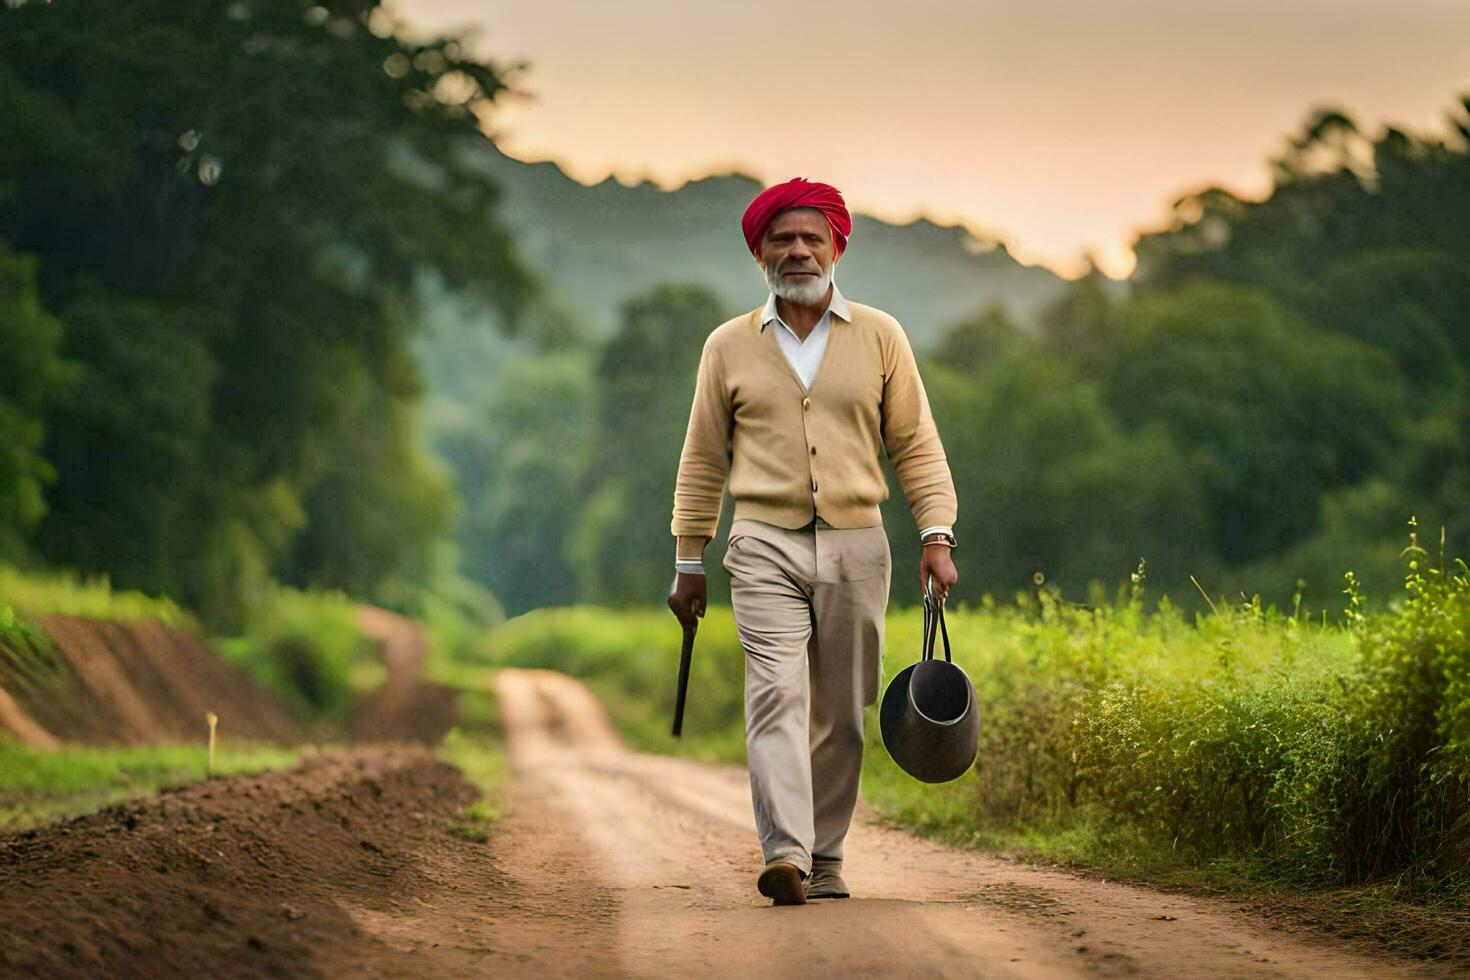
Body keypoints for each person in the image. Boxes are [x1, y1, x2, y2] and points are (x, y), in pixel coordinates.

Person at [667, 177, 959, 906]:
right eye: (781, 239)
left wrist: (936, 532)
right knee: (774, 696)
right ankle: (786, 854)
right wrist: (687, 557)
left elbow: (916, 443)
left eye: (810, 238)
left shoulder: (881, 336)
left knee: (842, 712)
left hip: (860, 544)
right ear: (760, 252)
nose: (796, 250)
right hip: (762, 542)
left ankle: (826, 857)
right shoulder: (728, 346)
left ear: (835, 247)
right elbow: (703, 456)